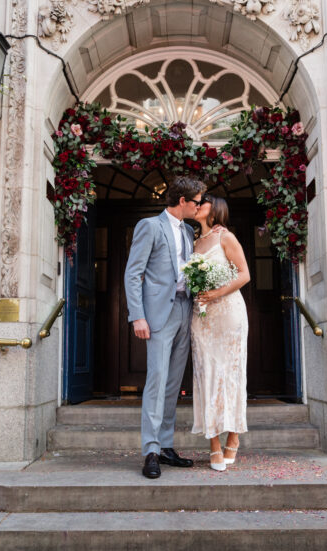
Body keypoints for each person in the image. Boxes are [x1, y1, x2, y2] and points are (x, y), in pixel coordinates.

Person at [124, 176, 206, 479]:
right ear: (182, 201)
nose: (199, 207)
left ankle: (167, 444)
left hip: (186, 309)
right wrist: (138, 316)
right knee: (157, 382)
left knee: (173, 383)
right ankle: (151, 450)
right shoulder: (149, 226)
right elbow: (133, 274)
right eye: (196, 202)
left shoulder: (187, 230)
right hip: (158, 315)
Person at [190, 195, 251, 471]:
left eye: (201, 203)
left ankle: (234, 436)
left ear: (214, 210)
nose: (196, 205)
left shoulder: (225, 237)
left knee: (231, 374)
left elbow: (243, 274)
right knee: (206, 375)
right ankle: (213, 443)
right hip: (202, 317)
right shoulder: (192, 240)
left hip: (228, 313)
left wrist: (215, 293)